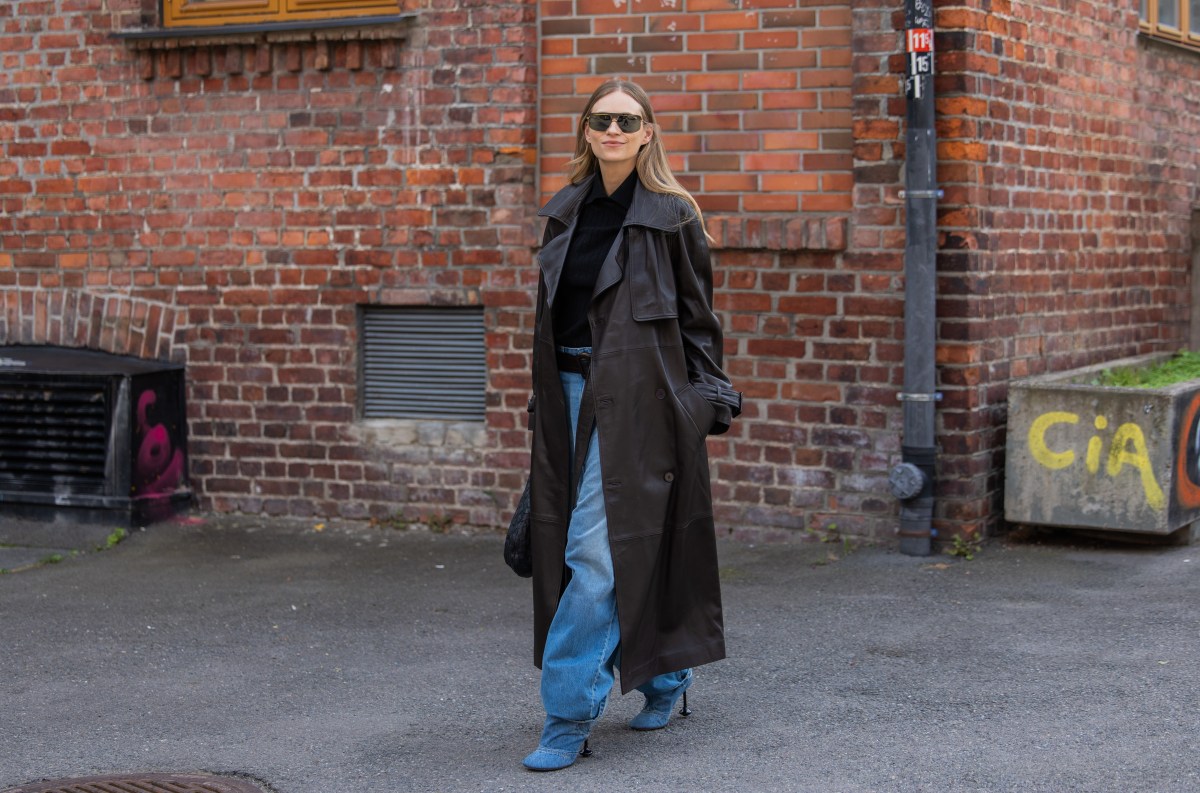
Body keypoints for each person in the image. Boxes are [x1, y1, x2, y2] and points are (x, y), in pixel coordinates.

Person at [522, 79, 742, 772]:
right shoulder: (562, 215)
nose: (614, 130)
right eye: (601, 119)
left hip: (642, 403)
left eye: (628, 119)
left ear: (648, 132)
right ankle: (665, 674)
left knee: (595, 553)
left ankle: (566, 714)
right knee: (576, 549)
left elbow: (699, 325)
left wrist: (704, 402)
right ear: (585, 132)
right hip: (566, 396)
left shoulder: (673, 216)